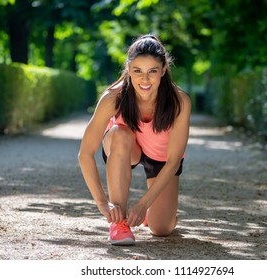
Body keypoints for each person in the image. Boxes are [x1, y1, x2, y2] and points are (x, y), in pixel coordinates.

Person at [78, 34, 191, 246]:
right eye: (138, 71)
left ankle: (157, 213)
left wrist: (142, 204)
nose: (145, 79)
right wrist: (103, 204)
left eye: (152, 71)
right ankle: (119, 224)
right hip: (125, 148)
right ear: (128, 69)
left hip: (162, 159)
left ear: (164, 70)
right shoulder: (113, 97)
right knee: (120, 134)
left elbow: (174, 160)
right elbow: (85, 153)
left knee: (162, 229)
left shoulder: (179, 101)